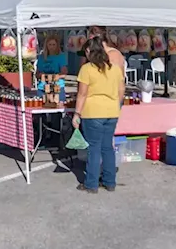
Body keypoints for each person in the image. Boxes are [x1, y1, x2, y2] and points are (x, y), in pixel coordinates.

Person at [72, 37, 125, 194]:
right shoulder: (114, 68)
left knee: (93, 148)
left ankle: (91, 183)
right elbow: (121, 90)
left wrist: (77, 113)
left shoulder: (87, 69)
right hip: (111, 111)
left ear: (88, 51)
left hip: (93, 112)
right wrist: (116, 105)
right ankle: (110, 182)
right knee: (107, 147)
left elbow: (82, 94)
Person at [36, 34, 68, 103]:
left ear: (57, 45)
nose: (52, 47)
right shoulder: (41, 57)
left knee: (57, 110)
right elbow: (37, 73)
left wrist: (55, 76)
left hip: (57, 87)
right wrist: (41, 75)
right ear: (46, 45)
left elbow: (64, 73)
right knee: (41, 110)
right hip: (42, 87)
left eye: (54, 44)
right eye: (50, 44)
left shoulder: (61, 56)